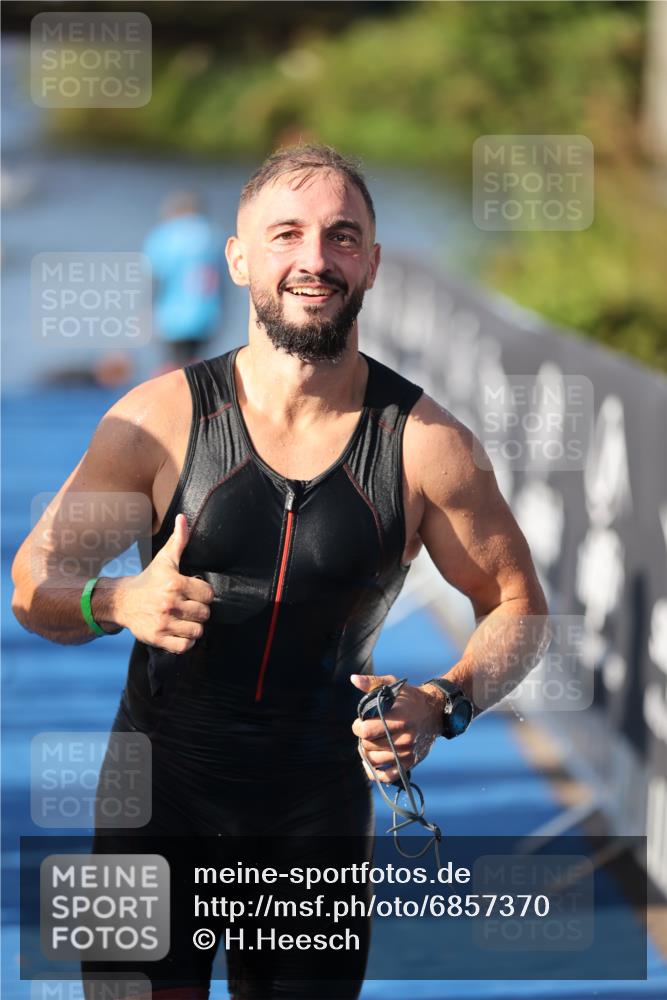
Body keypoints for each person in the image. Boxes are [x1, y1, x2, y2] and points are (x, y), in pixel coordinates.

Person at [12, 144, 548, 999]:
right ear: (238, 259)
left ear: (371, 261)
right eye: (285, 234)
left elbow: (517, 605)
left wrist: (443, 700)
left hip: (313, 820)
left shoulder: (427, 448)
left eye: (341, 237)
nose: (313, 259)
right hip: (153, 802)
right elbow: (32, 584)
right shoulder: (153, 422)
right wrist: (116, 598)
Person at [143, 191, 224, 370]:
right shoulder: (213, 234)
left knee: (171, 367)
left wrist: (146, 311)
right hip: (206, 315)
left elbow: (154, 277)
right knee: (195, 366)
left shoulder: (165, 235)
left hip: (172, 316)